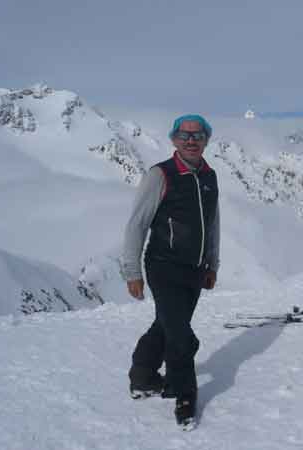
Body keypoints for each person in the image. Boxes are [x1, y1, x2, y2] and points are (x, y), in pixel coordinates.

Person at [121, 114, 219, 427]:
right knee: (183, 337)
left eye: (197, 135)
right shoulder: (161, 174)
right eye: (184, 135)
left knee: (166, 325)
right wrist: (132, 271)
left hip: (195, 270)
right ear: (174, 139)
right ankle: (184, 395)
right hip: (163, 266)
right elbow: (137, 224)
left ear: (206, 140)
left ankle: (143, 376)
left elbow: (213, 224)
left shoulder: (209, 176)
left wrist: (212, 264)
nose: (191, 141)